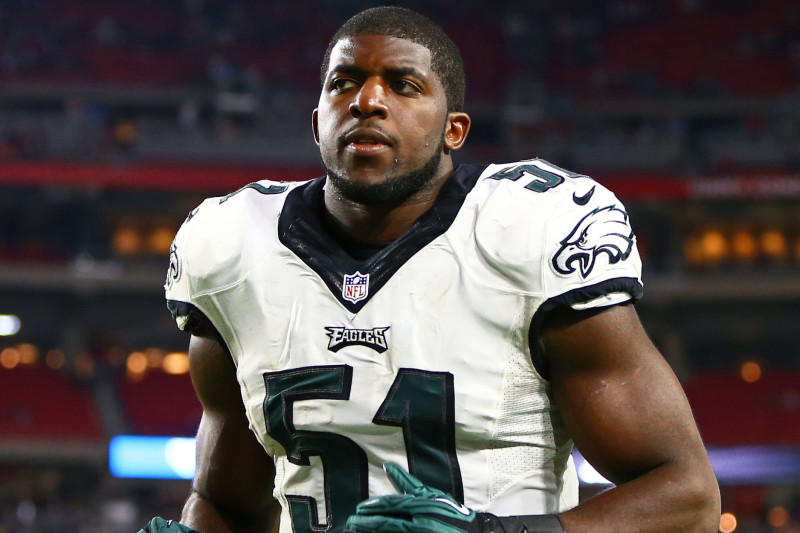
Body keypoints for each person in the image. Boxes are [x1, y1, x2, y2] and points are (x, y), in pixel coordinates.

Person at [145, 6, 720, 533]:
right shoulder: (232, 246)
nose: (367, 100)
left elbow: (687, 496)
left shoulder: (529, 231)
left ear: (454, 130)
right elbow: (227, 502)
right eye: (343, 82)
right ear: (316, 119)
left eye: (403, 85)